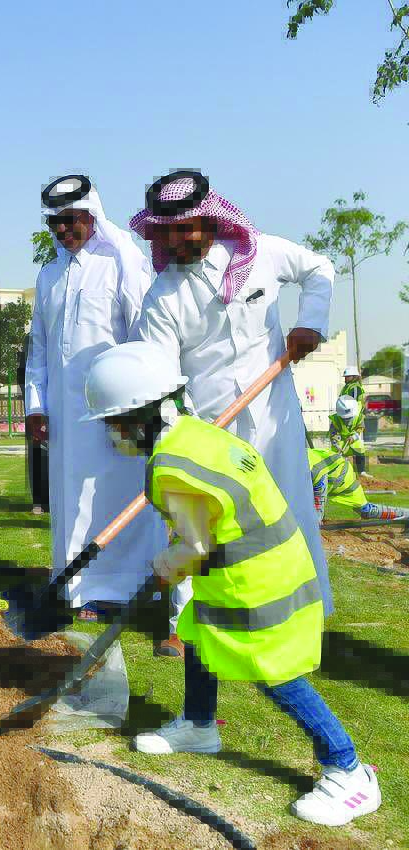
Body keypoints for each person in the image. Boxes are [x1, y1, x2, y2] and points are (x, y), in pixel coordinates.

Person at [83, 341, 381, 827]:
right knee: (198, 632)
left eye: (113, 424)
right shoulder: (199, 435)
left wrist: (164, 564)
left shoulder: (170, 468)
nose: (113, 435)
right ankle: (199, 725)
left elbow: (194, 545)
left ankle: (347, 769)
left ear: (139, 419)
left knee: (274, 671)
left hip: (257, 580)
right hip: (258, 564)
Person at [129, 170, 335, 660]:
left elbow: (320, 268)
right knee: (199, 519)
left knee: (289, 505)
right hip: (208, 424)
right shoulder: (161, 297)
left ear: (208, 218)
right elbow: (160, 374)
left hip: (273, 410)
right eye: (167, 231)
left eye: (187, 228)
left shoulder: (260, 253)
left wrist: (310, 323)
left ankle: (308, 607)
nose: (178, 240)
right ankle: (185, 623)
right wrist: (181, 428)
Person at [24, 174, 164, 615]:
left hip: (116, 408)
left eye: (71, 221)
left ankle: (117, 587)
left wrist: (140, 403)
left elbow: (145, 334)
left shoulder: (122, 262)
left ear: (91, 216)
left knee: (113, 493)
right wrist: (36, 405)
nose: (63, 231)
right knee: (71, 498)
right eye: (55, 224)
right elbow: (40, 346)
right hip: (66, 413)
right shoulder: (49, 275)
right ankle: (75, 583)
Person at [308, 446, 407, 523]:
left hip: (343, 476)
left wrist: (317, 519)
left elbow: (320, 493)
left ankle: (406, 514)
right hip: (330, 468)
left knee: (366, 511)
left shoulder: (313, 468)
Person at [17, 342, 48, 514]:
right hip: (38, 410)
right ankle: (39, 500)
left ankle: (55, 497)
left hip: (63, 407)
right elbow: (24, 376)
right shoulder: (32, 341)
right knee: (38, 454)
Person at [330, 397, 367, 477]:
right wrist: (335, 443)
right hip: (341, 439)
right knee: (336, 452)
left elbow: (360, 429)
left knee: (359, 448)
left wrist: (353, 437)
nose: (346, 420)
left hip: (353, 438)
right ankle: (338, 471)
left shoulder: (359, 417)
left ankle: (361, 471)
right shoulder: (335, 420)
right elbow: (333, 433)